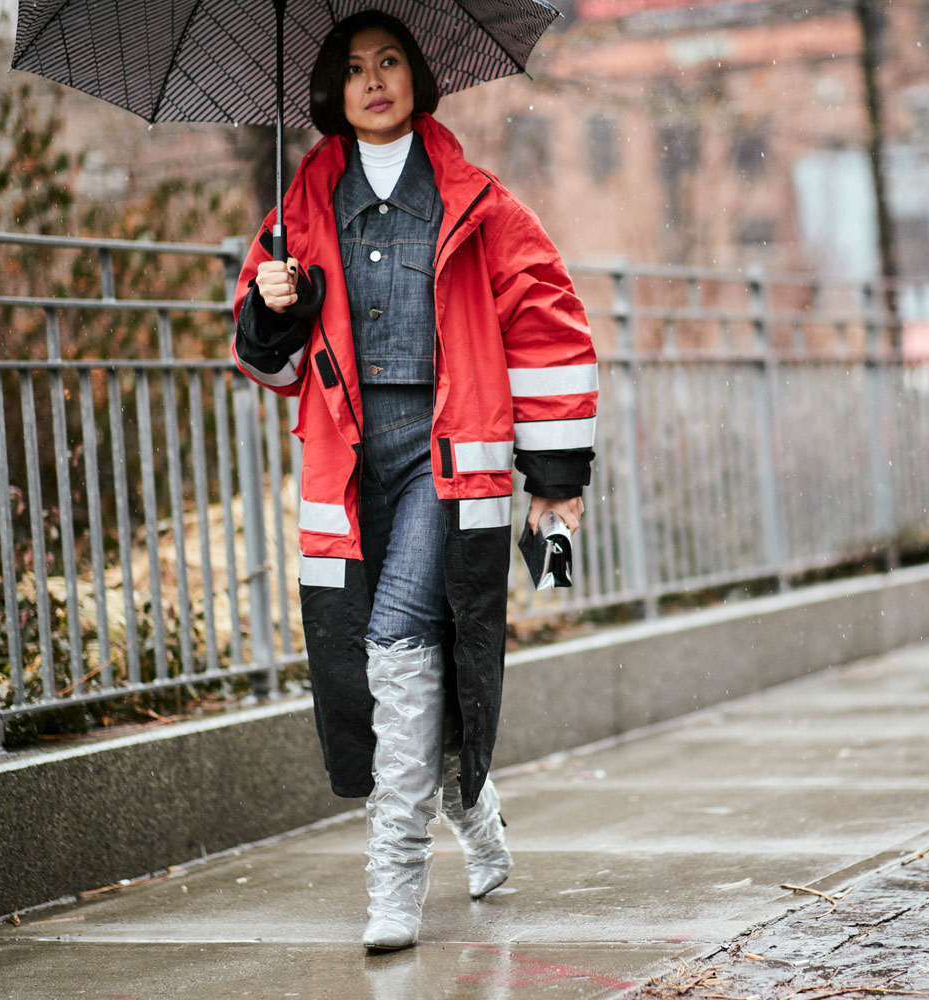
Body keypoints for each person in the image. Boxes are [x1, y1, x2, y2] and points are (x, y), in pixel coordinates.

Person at [229, 10, 598, 951]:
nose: (374, 79)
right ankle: (475, 809)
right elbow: (265, 368)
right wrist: (275, 311)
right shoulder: (297, 211)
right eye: (354, 68)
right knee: (378, 666)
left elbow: (549, 329)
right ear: (331, 91)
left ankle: (392, 881)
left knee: (397, 638)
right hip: (349, 468)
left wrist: (552, 480)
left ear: (419, 77)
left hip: (448, 452)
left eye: (390, 60)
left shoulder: (478, 201)